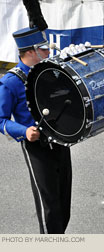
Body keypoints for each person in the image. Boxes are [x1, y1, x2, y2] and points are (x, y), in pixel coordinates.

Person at [0, 27, 72, 234]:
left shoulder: (49, 72)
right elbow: (1, 119)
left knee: (63, 202)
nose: (48, 52)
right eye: (43, 49)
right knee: (48, 205)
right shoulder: (10, 82)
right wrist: (24, 131)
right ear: (31, 52)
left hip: (60, 140)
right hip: (36, 145)